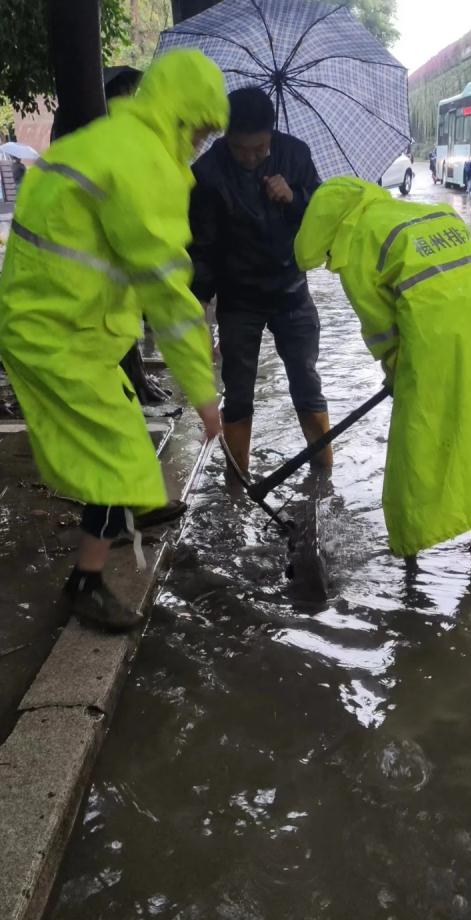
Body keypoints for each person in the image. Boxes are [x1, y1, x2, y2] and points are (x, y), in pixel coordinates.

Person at [0, 51, 229, 631]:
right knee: (117, 459)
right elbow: (168, 293)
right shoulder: (145, 164)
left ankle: (134, 507)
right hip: (61, 334)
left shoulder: (108, 139)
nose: (200, 145)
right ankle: (87, 583)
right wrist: (205, 394)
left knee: (123, 429)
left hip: (58, 322)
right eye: (200, 131)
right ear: (180, 114)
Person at [294, 177, 471, 559]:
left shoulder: (357, 245)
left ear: (328, 230)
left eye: (326, 254)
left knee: (416, 446)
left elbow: (382, 330)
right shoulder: (423, 213)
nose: (329, 260)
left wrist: (397, 374)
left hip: (442, 338)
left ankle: (411, 550)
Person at [189, 86, 331, 476]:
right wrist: (198, 305)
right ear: (225, 137)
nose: (251, 157)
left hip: (292, 291)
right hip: (239, 300)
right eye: (241, 149)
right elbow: (202, 249)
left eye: (260, 149)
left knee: (307, 381)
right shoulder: (208, 174)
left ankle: (323, 474)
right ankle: (238, 480)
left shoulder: (295, 154)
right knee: (237, 392)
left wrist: (295, 197)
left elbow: (323, 212)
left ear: (272, 131)